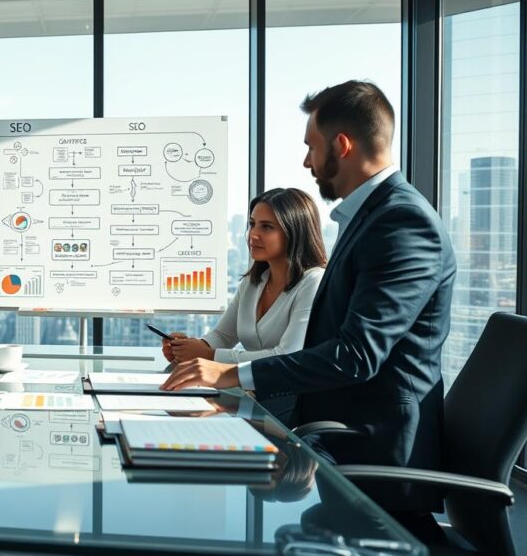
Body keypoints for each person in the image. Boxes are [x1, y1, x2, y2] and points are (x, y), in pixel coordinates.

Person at [161, 81, 456, 543]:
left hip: (374, 455)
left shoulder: (402, 222)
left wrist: (228, 375)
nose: (306, 162)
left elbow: (356, 355)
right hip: (335, 434)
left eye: (311, 147)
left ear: (341, 145)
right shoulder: (372, 218)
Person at [161, 188, 326, 365]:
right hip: (250, 390)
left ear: (294, 232)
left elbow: (288, 356)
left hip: (291, 391)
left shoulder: (313, 282)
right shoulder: (251, 283)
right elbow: (222, 336)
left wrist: (209, 355)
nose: (253, 235)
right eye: (252, 224)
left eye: (267, 227)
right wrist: (189, 348)